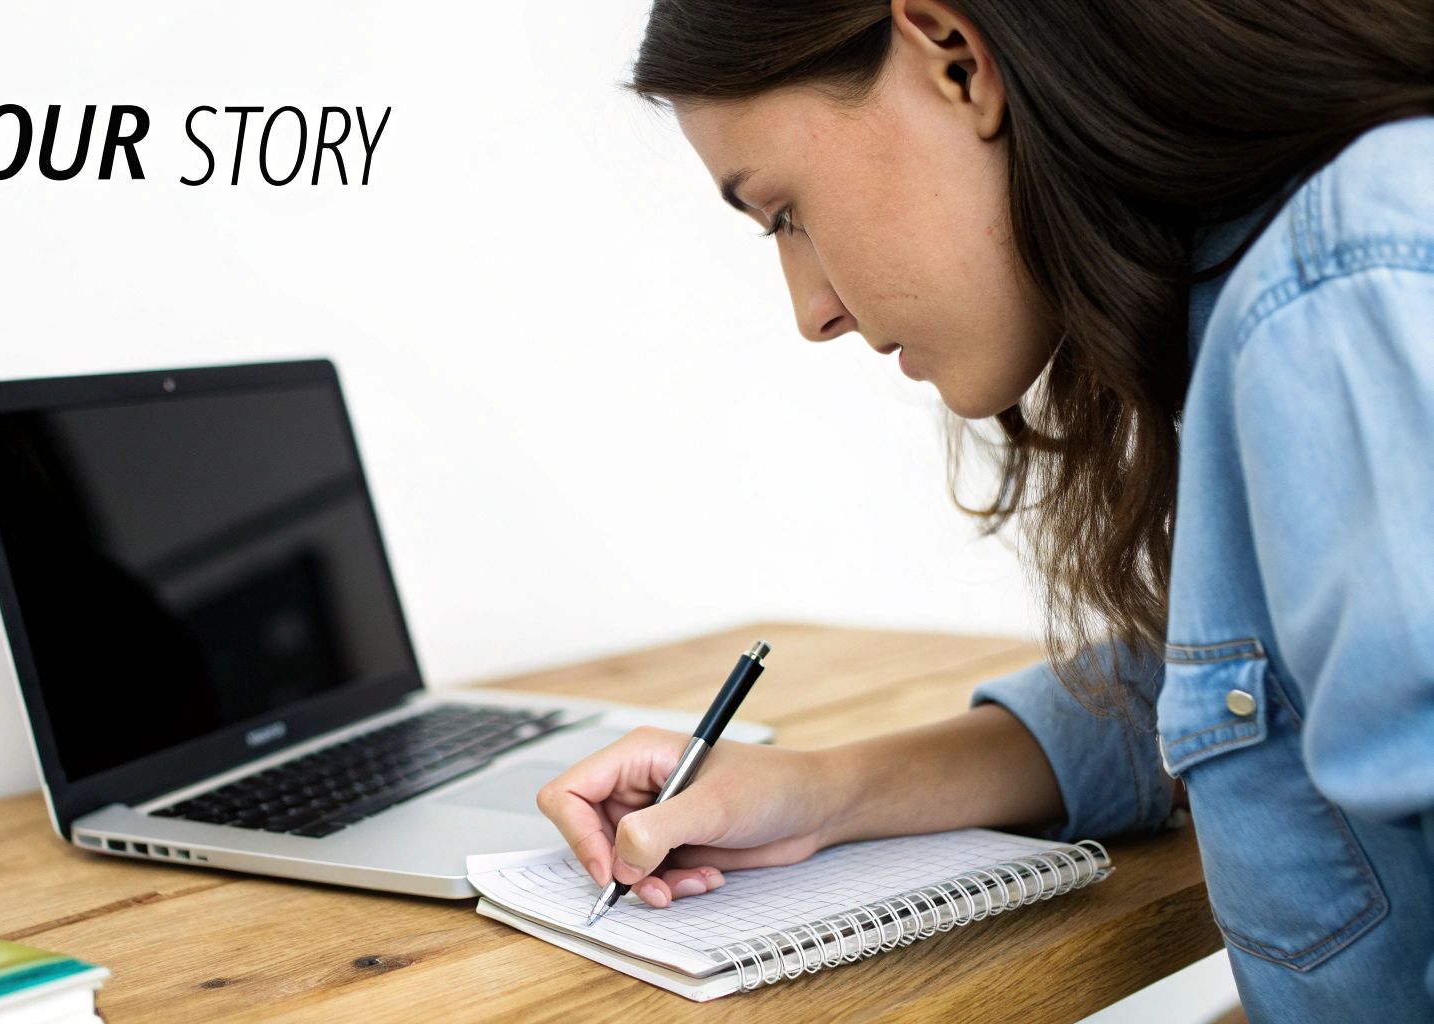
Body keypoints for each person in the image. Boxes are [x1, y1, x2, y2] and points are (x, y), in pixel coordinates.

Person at [535, 2, 1434, 1020]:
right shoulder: (1279, 283)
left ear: (954, 60)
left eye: (784, 211)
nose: (810, 312)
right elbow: (1236, 688)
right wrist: (816, 792)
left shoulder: (1347, 295)